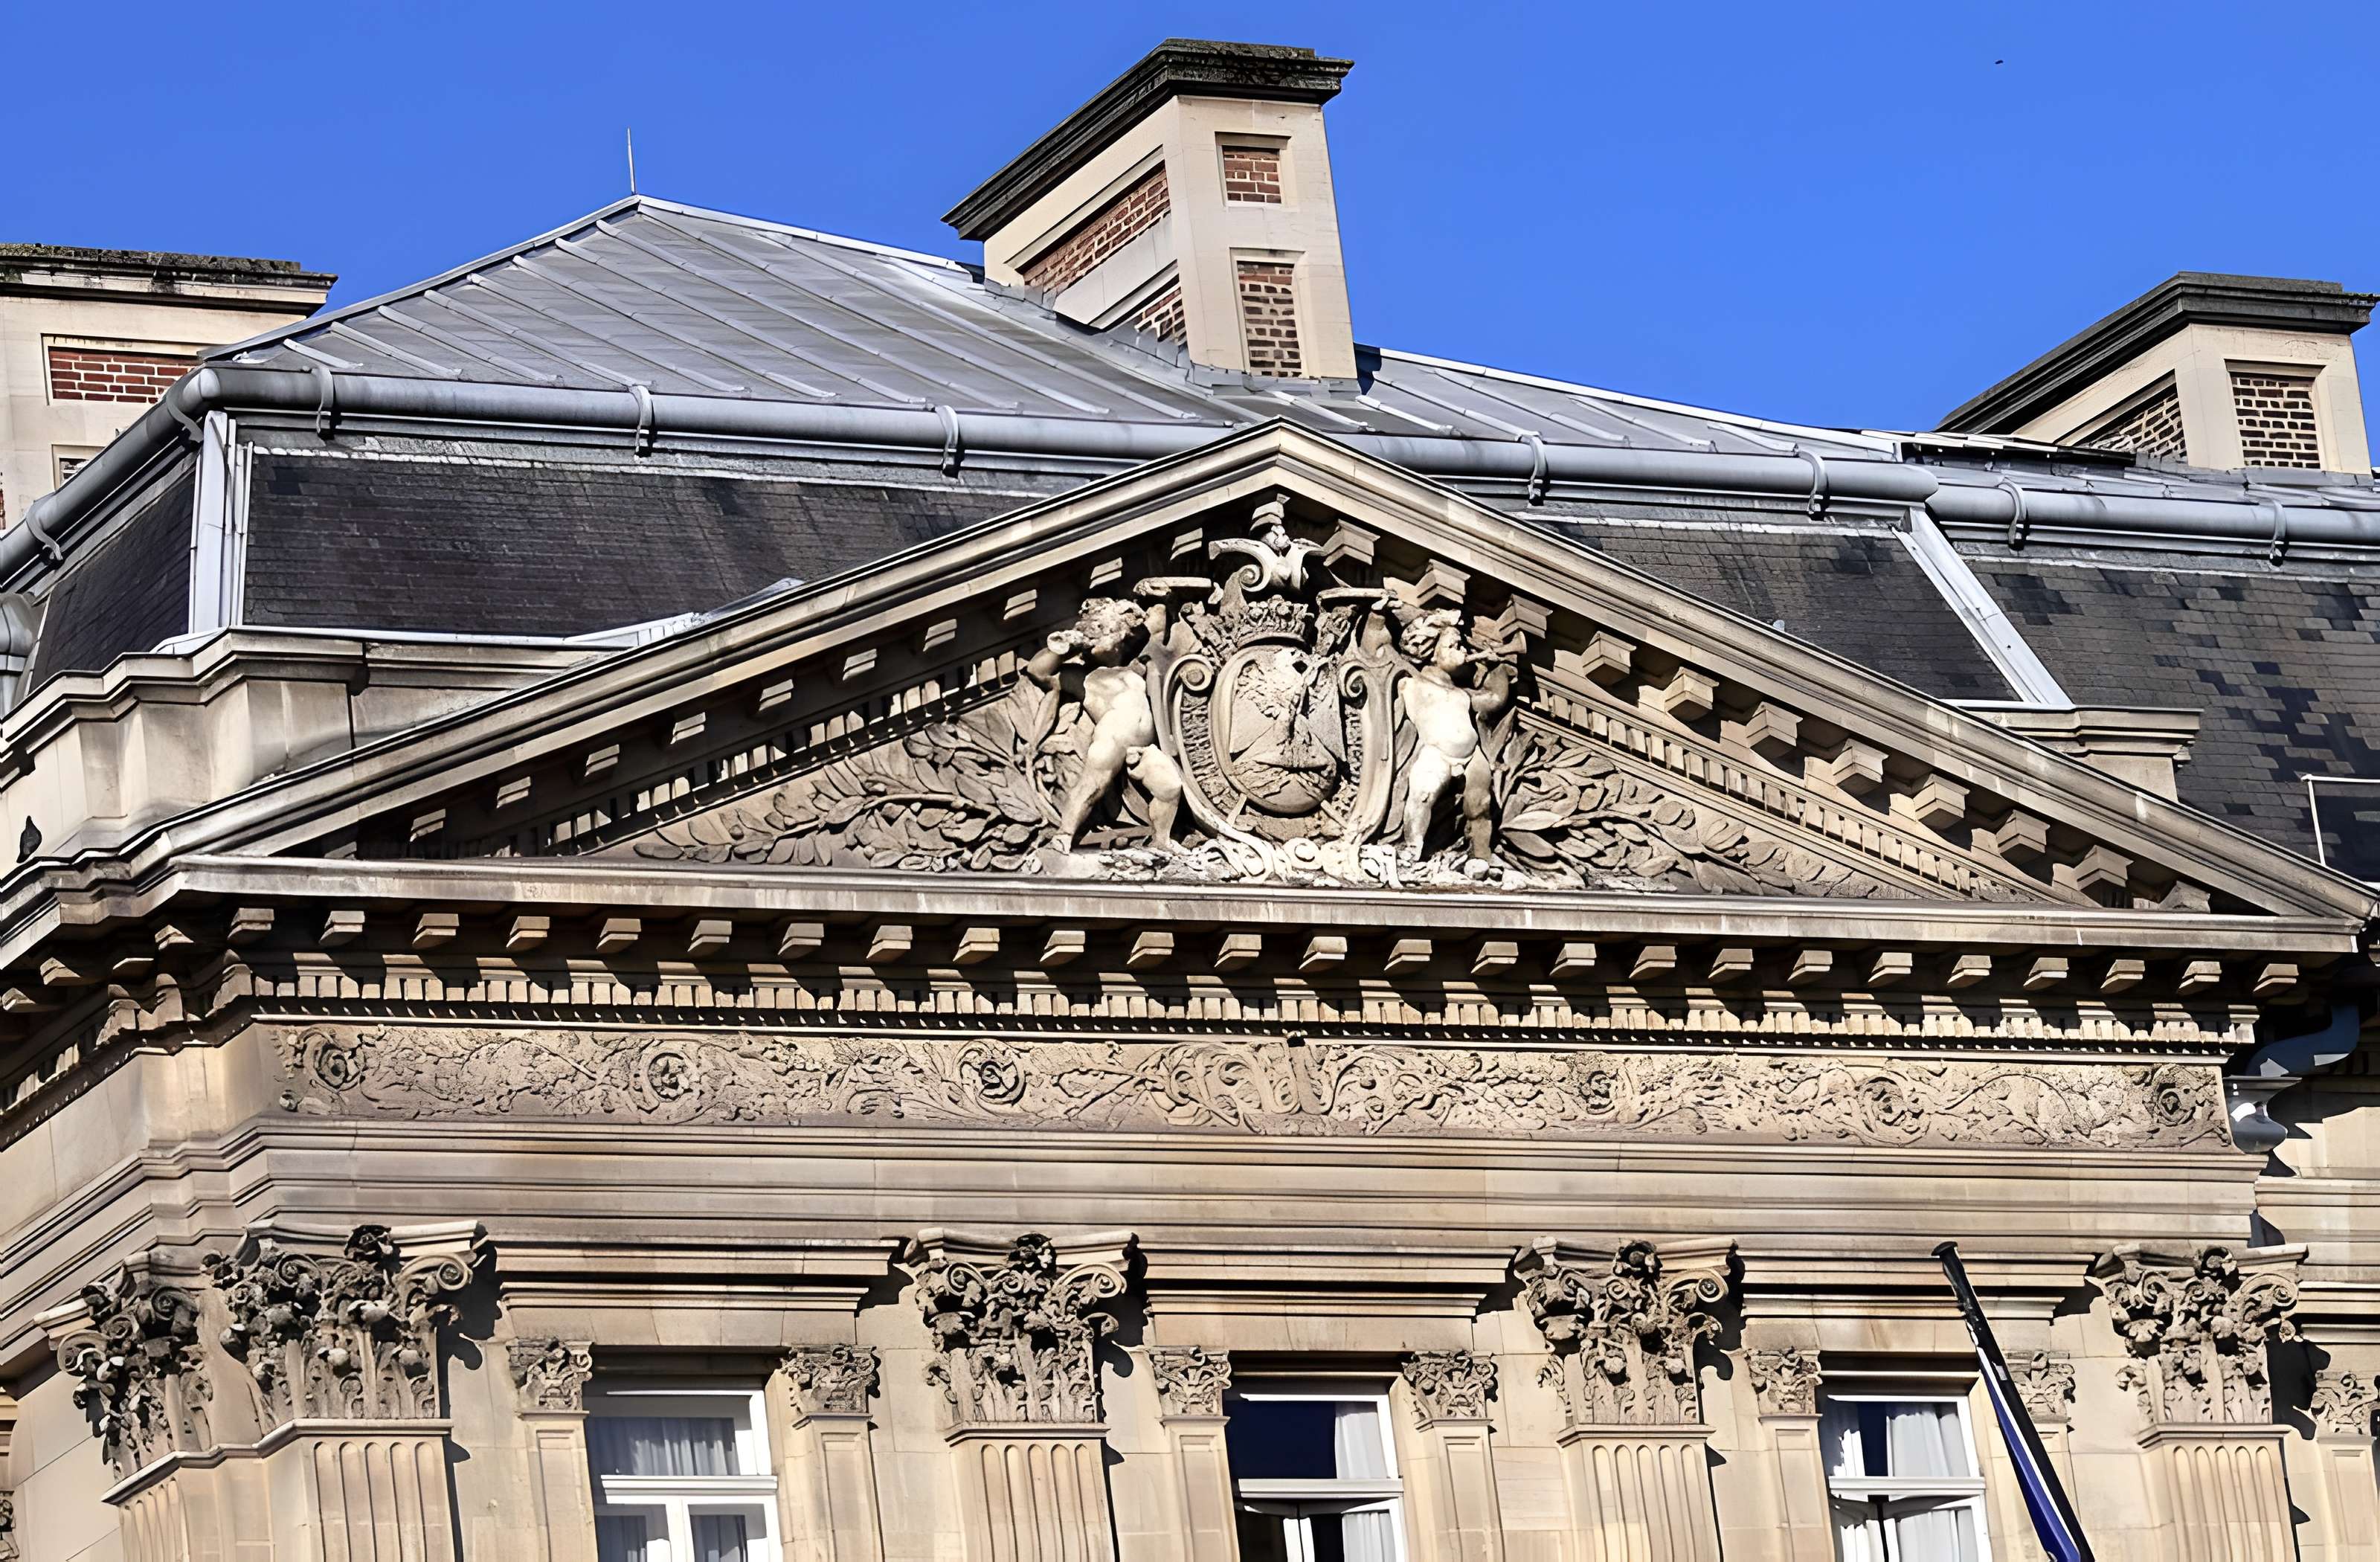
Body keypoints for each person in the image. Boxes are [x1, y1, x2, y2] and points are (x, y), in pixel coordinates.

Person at [1022, 598, 1185, 851]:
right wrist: (1066, 644)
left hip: (1144, 748)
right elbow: (1038, 671)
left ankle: (1161, 840)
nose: (1098, 636)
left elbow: (1158, 624)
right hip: (1112, 737)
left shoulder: (1136, 668)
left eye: (1104, 629)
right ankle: (1065, 835)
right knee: (1092, 786)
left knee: (1170, 786)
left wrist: (1155, 597)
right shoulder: (1084, 677)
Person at [1395, 607, 1513, 863]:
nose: (1463, 651)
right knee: (1423, 793)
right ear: (1430, 651)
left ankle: (1482, 856)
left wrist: (1496, 669)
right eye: (1454, 645)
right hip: (1436, 753)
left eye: (1462, 645)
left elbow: (1495, 698)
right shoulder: (1411, 684)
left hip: (1473, 756)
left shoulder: (1463, 694)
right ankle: (1412, 846)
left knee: (1480, 803)